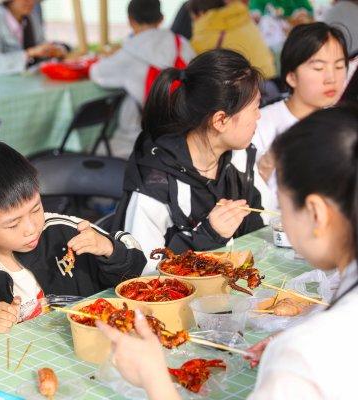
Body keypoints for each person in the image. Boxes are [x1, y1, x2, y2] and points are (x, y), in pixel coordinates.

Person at [97, 104, 358, 400]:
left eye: (283, 205)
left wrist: (154, 377)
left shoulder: (301, 360)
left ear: (316, 213)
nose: (282, 219)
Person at [0, 141, 146, 335]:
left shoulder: (64, 229)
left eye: (36, 209)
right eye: (13, 224)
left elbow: (135, 271)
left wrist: (108, 249)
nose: (31, 228)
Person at [112, 49, 273, 273]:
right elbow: (143, 274)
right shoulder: (156, 184)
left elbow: (264, 223)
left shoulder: (238, 157)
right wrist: (208, 234)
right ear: (220, 120)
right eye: (255, 107)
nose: (259, 115)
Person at [89, 0, 195, 159]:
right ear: (161, 18)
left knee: (91, 150)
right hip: (182, 134)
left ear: (130, 20)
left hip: (137, 140)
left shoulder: (129, 53)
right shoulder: (182, 44)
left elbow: (97, 73)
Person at [253, 23, 349, 193]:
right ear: (291, 77)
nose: (331, 78)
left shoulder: (345, 124)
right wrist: (265, 166)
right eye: (319, 68)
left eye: (339, 66)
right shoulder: (259, 125)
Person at [0, 0, 66, 75]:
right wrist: (30, 53)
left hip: (20, 81)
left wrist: (51, 51)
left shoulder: (31, 16)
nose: (31, 2)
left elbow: (40, 45)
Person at [188, 0, 277, 79]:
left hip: (246, 88)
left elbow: (194, 64)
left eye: (193, 17)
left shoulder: (205, 32)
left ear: (201, 13)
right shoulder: (243, 18)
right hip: (269, 80)